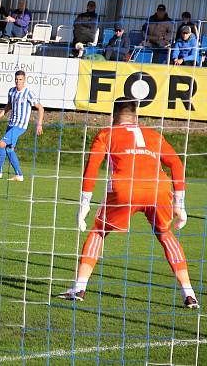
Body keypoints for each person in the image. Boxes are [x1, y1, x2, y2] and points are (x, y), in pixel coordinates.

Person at [58, 98, 199, 309]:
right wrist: (180, 203)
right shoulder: (153, 135)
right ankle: (189, 293)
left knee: (99, 231)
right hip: (158, 190)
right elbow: (177, 164)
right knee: (165, 234)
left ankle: (79, 287)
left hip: (125, 189)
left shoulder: (107, 134)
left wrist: (84, 203)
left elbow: (92, 167)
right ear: (136, 116)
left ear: (114, 116)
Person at [0, 70, 44, 182]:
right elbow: (8, 106)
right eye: (16, 79)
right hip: (11, 124)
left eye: (20, 79)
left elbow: (41, 108)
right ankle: (19, 175)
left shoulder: (28, 93)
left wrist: (39, 124)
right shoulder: (12, 91)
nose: (18, 81)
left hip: (20, 126)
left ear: (24, 80)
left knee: (1, 143)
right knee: (9, 149)